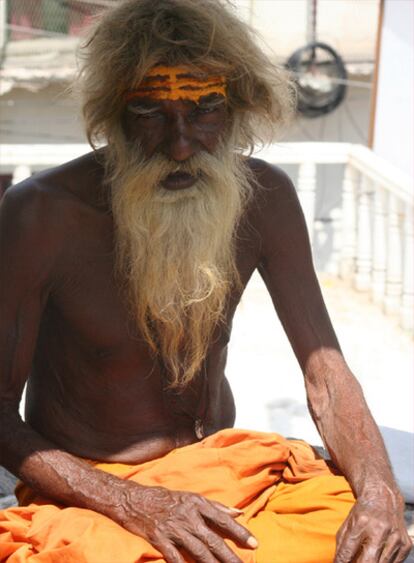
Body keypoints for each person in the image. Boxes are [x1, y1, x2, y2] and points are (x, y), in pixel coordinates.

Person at [0, 1, 411, 562]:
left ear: (239, 109)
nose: (180, 144)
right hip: (92, 498)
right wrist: (128, 502)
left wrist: (381, 495)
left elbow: (326, 376)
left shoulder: (264, 199)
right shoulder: (41, 214)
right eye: (150, 114)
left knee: (362, 543)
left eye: (205, 111)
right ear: (113, 116)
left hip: (228, 473)